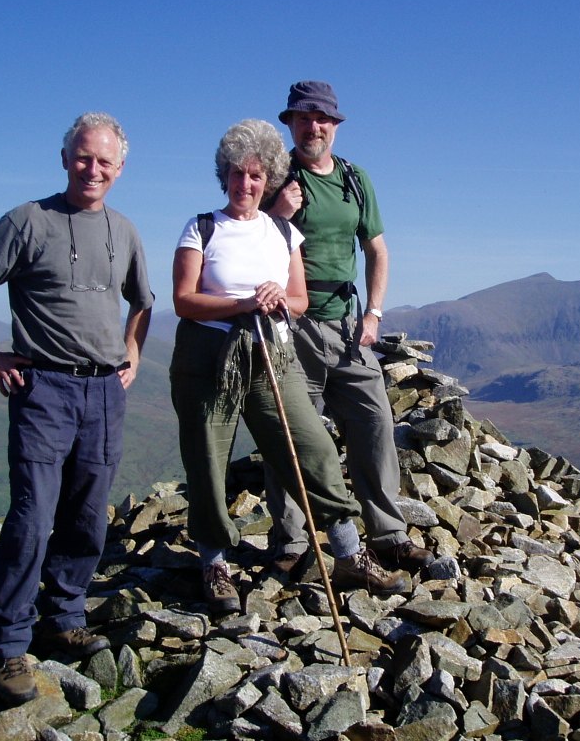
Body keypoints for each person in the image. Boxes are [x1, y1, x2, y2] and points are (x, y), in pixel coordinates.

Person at [0, 112, 154, 706]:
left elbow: (142, 301)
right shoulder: (26, 221)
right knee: (33, 516)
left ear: (120, 168)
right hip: (44, 390)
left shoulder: (126, 230)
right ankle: (9, 649)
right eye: (83, 157)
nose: (93, 169)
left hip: (104, 393)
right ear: (65, 158)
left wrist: (131, 355)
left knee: (88, 515)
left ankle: (64, 618)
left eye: (105, 162)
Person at [169, 119, 405, 615]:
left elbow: (298, 299)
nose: (245, 184)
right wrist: (241, 303)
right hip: (208, 359)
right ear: (224, 176)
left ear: (268, 178)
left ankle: (345, 550)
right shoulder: (202, 227)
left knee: (310, 444)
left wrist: (279, 299)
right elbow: (185, 301)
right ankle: (215, 562)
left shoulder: (283, 232)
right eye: (237, 173)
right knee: (207, 458)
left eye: (256, 175)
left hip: (270, 354)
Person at [266, 81, 434, 575]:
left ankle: (388, 534)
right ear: (290, 124)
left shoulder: (355, 179)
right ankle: (291, 542)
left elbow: (377, 248)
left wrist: (374, 313)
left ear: (335, 127)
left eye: (322, 119)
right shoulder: (276, 177)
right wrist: (278, 214)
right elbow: (247, 242)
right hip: (292, 327)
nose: (312, 127)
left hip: (346, 324)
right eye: (303, 118)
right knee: (291, 433)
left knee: (375, 423)